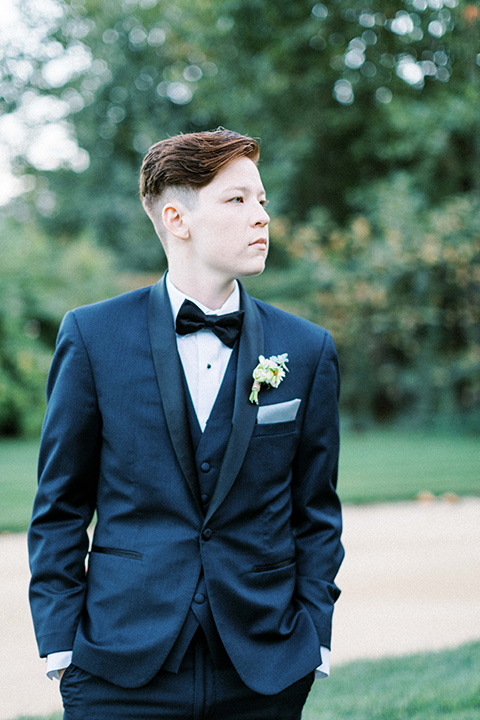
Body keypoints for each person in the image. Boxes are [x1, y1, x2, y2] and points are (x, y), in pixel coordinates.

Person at [28, 128, 344, 720]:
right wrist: (61, 647)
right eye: (237, 200)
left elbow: (316, 511)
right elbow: (60, 507)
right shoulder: (92, 338)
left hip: (264, 669)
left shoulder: (307, 349)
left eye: (262, 201)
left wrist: (314, 638)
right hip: (118, 670)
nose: (262, 217)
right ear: (178, 218)